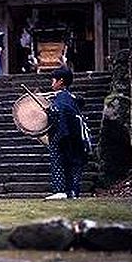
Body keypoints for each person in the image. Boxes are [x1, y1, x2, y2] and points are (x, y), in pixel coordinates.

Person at [45, 67, 87, 200]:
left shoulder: (61, 98)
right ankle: (73, 191)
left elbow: (58, 115)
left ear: (61, 81)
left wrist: (49, 112)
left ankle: (60, 190)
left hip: (63, 135)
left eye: (53, 80)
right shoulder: (70, 97)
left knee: (58, 160)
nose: (52, 84)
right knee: (73, 163)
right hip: (76, 135)